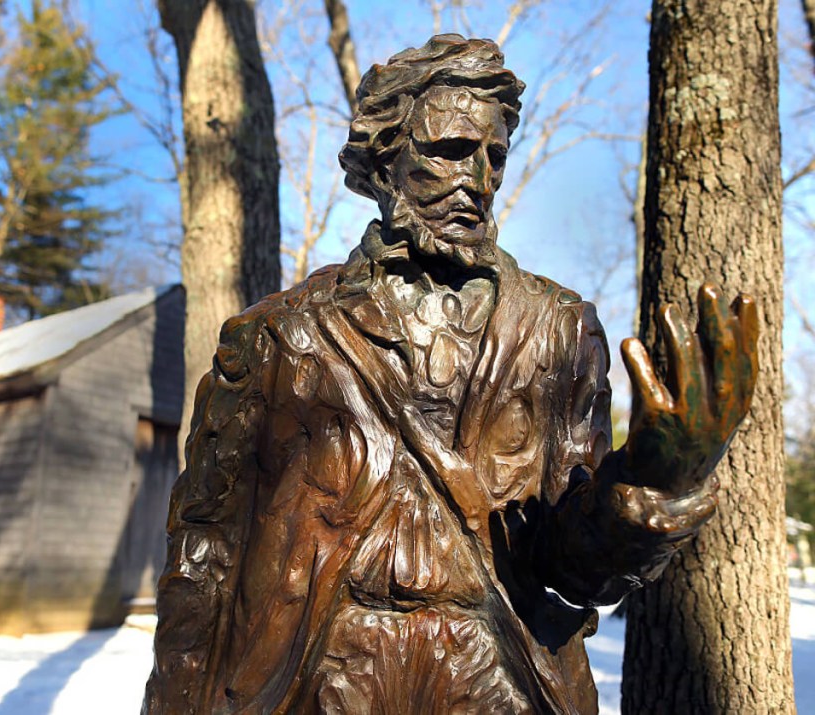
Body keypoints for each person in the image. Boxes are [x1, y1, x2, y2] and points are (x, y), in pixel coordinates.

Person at [144, 35, 758, 714]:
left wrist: (646, 490)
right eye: (450, 151)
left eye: (493, 156)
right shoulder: (282, 338)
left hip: (498, 673)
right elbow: (203, 560)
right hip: (325, 675)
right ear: (386, 159)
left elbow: (569, 565)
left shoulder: (556, 331)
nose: (479, 178)